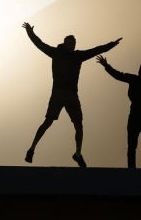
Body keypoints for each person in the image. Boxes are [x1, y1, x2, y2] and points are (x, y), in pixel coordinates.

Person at [23, 22, 122, 167]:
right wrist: (30, 32)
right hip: (58, 93)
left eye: (74, 43)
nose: (73, 46)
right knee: (48, 122)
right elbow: (39, 44)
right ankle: (31, 149)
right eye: (71, 43)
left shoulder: (77, 56)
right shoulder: (56, 53)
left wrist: (112, 44)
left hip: (71, 94)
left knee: (79, 125)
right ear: (65, 43)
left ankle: (78, 153)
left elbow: (95, 50)